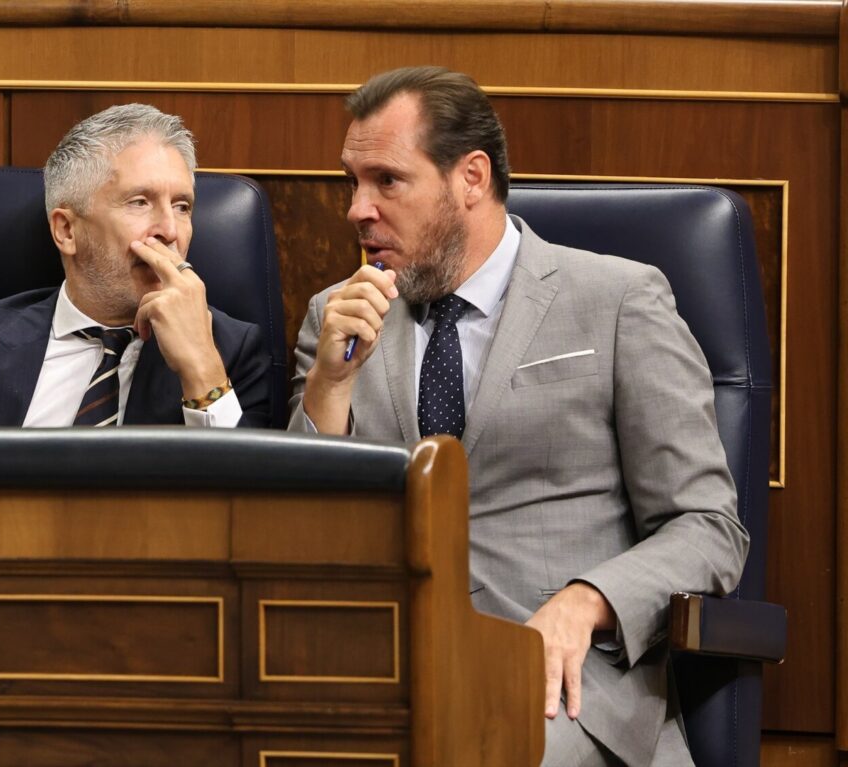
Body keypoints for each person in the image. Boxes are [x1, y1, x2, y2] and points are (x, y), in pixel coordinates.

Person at [288, 66, 748, 767]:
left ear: (471, 177)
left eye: (387, 180)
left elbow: (709, 527)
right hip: (385, 681)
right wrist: (328, 383)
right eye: (352, 181)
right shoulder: (337, 319)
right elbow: (296, 536)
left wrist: (588, 598)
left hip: (561, 691)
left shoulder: (618, 300)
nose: (356, 208)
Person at [0, 104, 270, 428]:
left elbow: (251, 507)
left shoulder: (231, 353)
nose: (170, 231)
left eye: (182, 206)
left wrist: (202, 369)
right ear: (67, 230)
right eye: (139, 202)